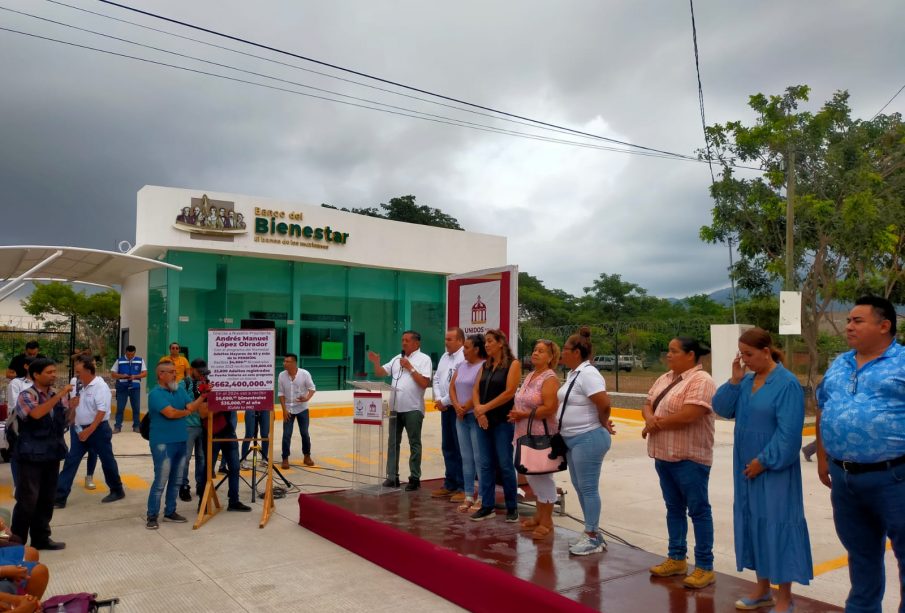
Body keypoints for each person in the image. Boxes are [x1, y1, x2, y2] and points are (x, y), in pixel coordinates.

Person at [815, 295, 905, 613]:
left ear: (884, 326)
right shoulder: (840, 363)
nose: (849, 326)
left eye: (857, 320)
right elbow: (824, 408)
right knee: (861, 553)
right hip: (845, 480)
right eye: (849, 320)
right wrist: (824, 459)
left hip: (894, 478)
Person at [713, 328, 813, 612]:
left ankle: (784, 597)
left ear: (766, 352)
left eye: (749, 355)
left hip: (774, 469)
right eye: (741, 354)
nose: (744, 361)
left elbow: (790, 434)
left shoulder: (787, 384)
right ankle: (762, 589)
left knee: (778, 525)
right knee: (753, 522)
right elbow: (721, 407)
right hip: (745, 469)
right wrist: (733, 380)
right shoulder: (745, 382)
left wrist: (764, 461)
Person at [642, 337, 717, 589]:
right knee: (673, 508)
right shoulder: (665, 378)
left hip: (690, 458)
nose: (668, 355)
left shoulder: (701, 380)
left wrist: (655, 423)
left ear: (690, 355)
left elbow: (690, 414)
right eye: (669, 350)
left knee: (698, 511)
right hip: (664, 456)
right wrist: (650, 417)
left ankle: (705, 566)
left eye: (674, 351)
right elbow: (647, 403)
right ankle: (676, 558)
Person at [557, 327, 614, 555]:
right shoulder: (574, 373)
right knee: (581, 487)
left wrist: (603, 422)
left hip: (587, 438)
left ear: (577, 352)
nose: (562, 353)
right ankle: (591, 531)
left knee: (588, 488)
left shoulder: (588, 374)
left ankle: (592, 536)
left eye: (565, 349)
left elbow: (604, 403)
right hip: (572, 439)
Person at [11, 359, 71, 550]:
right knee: (27, 500)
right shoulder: (26, 395)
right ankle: (16, 542)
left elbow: (64, 423)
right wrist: (60, 396)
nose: (54, 375)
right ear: (36, 375)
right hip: (30, 455)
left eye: (55, 371)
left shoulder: (55, 395)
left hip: (51, 453)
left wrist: (74, 407)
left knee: (47, 499)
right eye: (49, 372)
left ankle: (41, 538)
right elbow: (36, 414)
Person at [54, 355, 125, 509]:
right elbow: (77, 408)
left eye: (79, 372)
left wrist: (90, 430)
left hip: (97, 430)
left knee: (107, 460)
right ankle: (59, 497)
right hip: (79, 429)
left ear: (88, 370)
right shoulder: (80, 386)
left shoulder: (100, 386)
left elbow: (101, 411)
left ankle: (117, 489)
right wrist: (72, 414)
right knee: (71, 461)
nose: (76, 375)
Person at [508, 339, 561, 540]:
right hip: (523, 433)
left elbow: (549, 408)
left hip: (540, 435)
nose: (535, 353)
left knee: (543, 477)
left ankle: (547, 520)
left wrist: (522, 415)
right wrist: (517, 414)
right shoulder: (530, 375)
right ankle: (539, 516)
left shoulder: (549, 378)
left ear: (550, 357)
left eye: (541, 351)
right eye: (534, 350)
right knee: (531, 476)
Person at [368, 330, 432, 491]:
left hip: (413, 408)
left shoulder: (424, 359)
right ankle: (392, 477)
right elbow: (380, 373)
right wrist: (376, 362)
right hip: (395, 408)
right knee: (393, 443)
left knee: (414, 444)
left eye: (407, 340)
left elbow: (424, 383)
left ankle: (414, 478)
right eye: (402, 340)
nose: (403, 343)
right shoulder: (397, 358)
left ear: (417, 343)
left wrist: (410, 367)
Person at [145, 361, 206, 529]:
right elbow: (170, 413)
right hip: (163, 443)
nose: (175, 375)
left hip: (181, 440)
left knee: (176, 480)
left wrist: (203, 397)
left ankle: (170, 511)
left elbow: (192, 406)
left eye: (175, 372)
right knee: (161, 480)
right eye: (171, 372)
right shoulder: (156, 394)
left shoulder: (179, 391)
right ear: (161, 375)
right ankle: (152, 515)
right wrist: (186, 412)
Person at [470, 328, 521, 523]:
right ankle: (487, 506)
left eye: (490, 341)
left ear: (501, 343)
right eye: (485, 342)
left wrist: (484, 408)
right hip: (482, 422)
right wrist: (478, 410)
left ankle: (512, 506)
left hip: (501, 422)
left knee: (505, 464)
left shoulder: (513, 365)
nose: (487, 345)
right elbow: (475, 390)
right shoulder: (485, 365)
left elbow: (509, 392)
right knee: (485, 465)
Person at [450, 334, 486, 512]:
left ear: (477, 349)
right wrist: (457, 406)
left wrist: (466, 407)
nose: (463, 351)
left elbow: (478, 390)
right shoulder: (461, 365)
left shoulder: (483, 366)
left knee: (479, 458)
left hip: (474, 416)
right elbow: (452, 387)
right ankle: (469, 495)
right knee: (466, 458)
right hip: (460, 417)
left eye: (466, 348)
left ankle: (483, 497)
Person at [198, 397, 251, 513]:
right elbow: (202, 413)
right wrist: (224, 404)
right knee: (207, 470)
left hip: (229, 432)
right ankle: (203, 502)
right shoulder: (204, 390)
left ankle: (234, 501)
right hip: (212, 434)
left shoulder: (228, 390)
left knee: (235, 467)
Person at [431, 328, 465, 501]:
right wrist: (438, 398)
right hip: (445, 407)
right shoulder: (445, 357)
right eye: (446, 339)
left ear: (460, 340)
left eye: (450, 339)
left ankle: (462, 487)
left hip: (458, 408)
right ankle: (450, 483)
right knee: (448, 447)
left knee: (461, 448)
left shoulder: (464, 357)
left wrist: (444, 401)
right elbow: (436, 379)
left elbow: (459, 385)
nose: (446, 342)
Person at [279, 353, 316, 470]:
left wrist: (307, 398)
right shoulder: (281, 375)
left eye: (287, 361)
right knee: (286, 434)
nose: (284, 363)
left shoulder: (304, 374)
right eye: (284, 361)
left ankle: (307, 456)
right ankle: (285, 458)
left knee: (304, 433)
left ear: (294, 363)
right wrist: (284, 410)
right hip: (288, 409)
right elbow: (281, 394)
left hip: (302, 409)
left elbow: (312, 388)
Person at [179, 359, 209, 502]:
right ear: (192, 370)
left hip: (203, 426)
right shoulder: (183, 384)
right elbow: (180, 403)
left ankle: (201, 485)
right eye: (199, 372)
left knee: (201, 458)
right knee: (185, 459)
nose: (202, 375)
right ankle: (183, 486)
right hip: (188, 426)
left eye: (204, 372)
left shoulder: (206, 382)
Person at [65, 371, 98, 492]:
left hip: (92, 424)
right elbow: (73, 402)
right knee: (73, 455)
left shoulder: (98, 383)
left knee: (93, 452)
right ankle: (64, 484)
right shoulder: (74, 381)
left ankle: (89, 476)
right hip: (77, 423)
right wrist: (72, 420)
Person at [111, 345, 147, 434]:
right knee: (120, 408)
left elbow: (145, 373)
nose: (130, 356)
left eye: (132, 354)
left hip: (135, 387)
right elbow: (113, 373)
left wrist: (135, 376)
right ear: (126, 352)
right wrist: (122, 376)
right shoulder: (119, 360)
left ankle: (136, 426)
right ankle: (117, 427)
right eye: (128, 354)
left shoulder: (140, 360)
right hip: (122, 387)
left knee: (136, 408)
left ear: (134, 353)